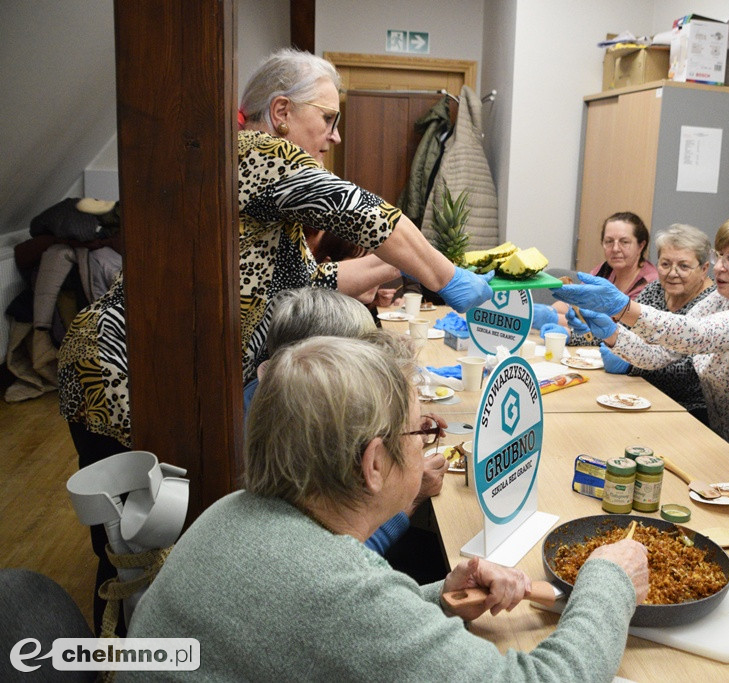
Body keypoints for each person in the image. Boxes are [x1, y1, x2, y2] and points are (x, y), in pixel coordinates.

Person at [57, 47, 494, 635]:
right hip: (117, 373)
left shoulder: (265, 196)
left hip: (150, 373)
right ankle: (131, 653)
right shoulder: (253, 152)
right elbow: (362, 211)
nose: (335, 136)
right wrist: (452, 278)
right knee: (133, 548)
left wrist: (401, 270)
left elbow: (320, 283)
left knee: (154, 536)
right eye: (329, 118)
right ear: (282, 111)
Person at [124, 336, 649, 680]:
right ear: (374, 463)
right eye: (424, 429)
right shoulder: (340, 592)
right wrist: (608, 580)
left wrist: (439, 599)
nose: (430, 442)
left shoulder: (233, 511)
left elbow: (329, 628)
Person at [554, 215, 729, 500]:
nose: (720, 266)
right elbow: (657, 353)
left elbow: (695, 334)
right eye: (720, 255)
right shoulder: (720, 301)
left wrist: (625, 309)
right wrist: (612, 333)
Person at [241, 287, 448, 565]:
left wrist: (401, 422)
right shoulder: (277, 436)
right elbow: (332, 557)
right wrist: (411, 499)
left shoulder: (269, 398)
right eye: (365, 358)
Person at [601, 224, 716, 423]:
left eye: (683, 266)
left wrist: (632, 367)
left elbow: (692, 374)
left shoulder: (712, 304)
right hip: (641, 392)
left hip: (689, 409)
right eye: (665, 264)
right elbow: (624, 333)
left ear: (704, 269)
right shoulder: (655, 289)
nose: (672, 273)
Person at [536, 211, 658, 340]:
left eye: (624, 242)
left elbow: (616, 331)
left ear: (641, 245)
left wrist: (554, 319)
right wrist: (549, 311)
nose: (615, 248)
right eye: (609, 241)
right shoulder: (604, 270)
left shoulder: (651, 284)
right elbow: (576, 305)